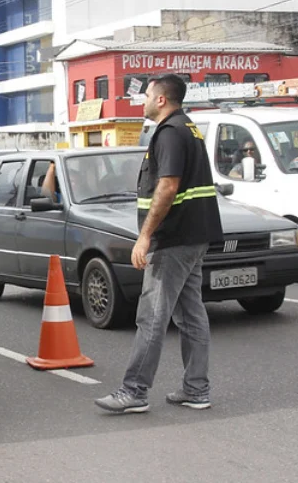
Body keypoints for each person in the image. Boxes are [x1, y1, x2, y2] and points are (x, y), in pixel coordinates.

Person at [94, 74, 223, 414]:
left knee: (151, 317)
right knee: (191, 314)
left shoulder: (168, 133)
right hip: (195, 235)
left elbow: (167, 187)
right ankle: (196, 389)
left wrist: (145, 236)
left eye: (147, 94)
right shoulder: (188, 128)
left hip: (173, 238)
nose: (143, 100)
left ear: (162, 100)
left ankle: (134, 391)